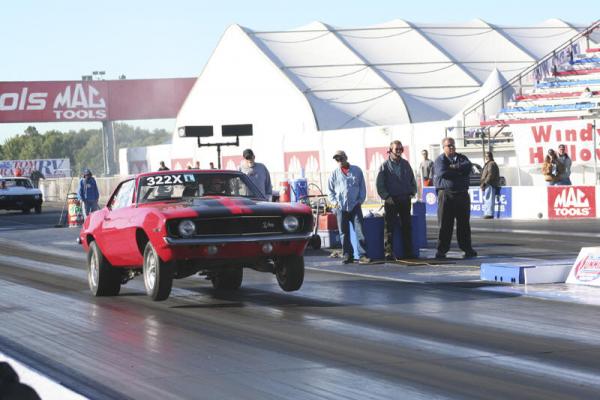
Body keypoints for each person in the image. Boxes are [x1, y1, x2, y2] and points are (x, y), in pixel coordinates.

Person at [433, 137, 477, 259]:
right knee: (445, 224)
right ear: (444, 147)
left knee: (464, 224)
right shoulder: (440, 160)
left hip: (462, 194)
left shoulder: (462, 158)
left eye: (453, 145)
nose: (451, 147)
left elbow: (468, 167)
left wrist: (453, 168)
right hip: (446, 195)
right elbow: (443, 173)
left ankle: (467, 248)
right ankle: (442, 250)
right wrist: (459, 171)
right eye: (448, 146)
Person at [376, 140, 417, 260]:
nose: (399, 151)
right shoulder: (384, 166)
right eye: (396, 149)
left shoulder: (406, 164)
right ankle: (388, 252)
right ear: (390, 150)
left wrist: (412, 193)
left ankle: (408, 252)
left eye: (401, 149)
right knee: (389, 228)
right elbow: (380, 185)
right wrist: (387, 197)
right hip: (391, 201)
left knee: (407, 227)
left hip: (405, 199)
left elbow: (412, 179)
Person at [328, 150, 370, 265]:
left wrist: (360, 200)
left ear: (346, 157)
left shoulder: (357, 170)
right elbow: (330, 191)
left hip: (355, 206)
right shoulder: (334, 174)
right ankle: (347, 255)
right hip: (341, 207)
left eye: (341, 158)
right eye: (337, 159)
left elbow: (362, 187)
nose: (340, 161)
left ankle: (363, 255)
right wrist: (335, 203)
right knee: (343, 232)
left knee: (360, 230)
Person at [480, 152, 501, 219]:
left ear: (491, 156)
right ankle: (487, 213)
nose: (486, 157)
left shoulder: (491, 164)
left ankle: (489, 214)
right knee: (487, 199)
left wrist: (485, 183)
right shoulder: (489, 164)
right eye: (486, 156)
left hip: (490, 184)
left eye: (488, 156)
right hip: (488, 184)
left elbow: (490, 174)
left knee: (489, 199)